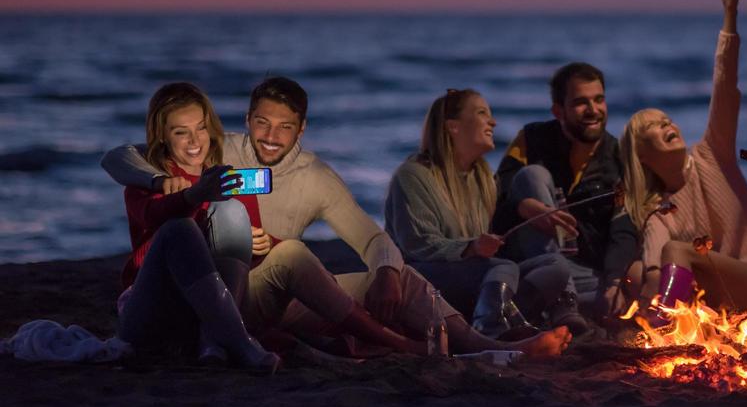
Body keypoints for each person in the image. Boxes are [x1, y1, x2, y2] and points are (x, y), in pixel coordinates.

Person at [103, 77, 568, 358]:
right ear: (247, 120)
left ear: (302, 129)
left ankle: (488, 347)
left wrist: (386, 268)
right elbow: (127, 154)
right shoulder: (220, 148)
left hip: (280, 293)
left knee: (398, 277)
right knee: (292, 253)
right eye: (261, 123)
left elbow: (370, 236)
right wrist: (159, 183)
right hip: (228, 287)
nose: (270, 136)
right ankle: (399, 342)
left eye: (285, 126)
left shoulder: (316, 178)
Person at [613, 0, 747, 314]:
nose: (667, 122)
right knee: (644, 270)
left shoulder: (713, 155)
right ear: (642, 155)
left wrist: (730, 12)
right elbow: (653, 272)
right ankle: (659, 330)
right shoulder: (660, 216)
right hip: (726, 302)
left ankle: (665, 328)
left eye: (666, 118)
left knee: (677, 254)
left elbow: (724, 84)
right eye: (653, 124)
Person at [385, 88, 587, 337]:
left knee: (555, 266)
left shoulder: (481, 179)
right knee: (503, 269)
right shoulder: (413, 175)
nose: (493, 122)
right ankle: (489, 329)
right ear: (453, 127)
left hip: (475, 279)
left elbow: (501, 219)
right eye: (482, 113)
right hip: (425, 280)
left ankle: (499, 315)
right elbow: (417, 245)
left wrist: (523, 211)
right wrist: (470, 248)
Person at [115, 82, 279, 372]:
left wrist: (264, 244)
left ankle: (213, 339)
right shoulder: (148, 180)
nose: (194, 140)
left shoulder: (221, 180)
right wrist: (194, 195)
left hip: (201, 313)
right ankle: (240, 342)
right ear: (163, 137)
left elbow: (239, 259)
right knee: (180, 229)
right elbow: (155, 215)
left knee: (231, 208)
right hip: (150, 312)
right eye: (181, 132)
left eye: (200, 128)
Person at [493, 62, 620, 310]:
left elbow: (622, 232)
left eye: (599, 100)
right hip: (529, 258)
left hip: (583, 271)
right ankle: (562, 301)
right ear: (558, 111)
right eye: (581, 102)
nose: (593, 110)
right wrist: (524, 207)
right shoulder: (532, 138)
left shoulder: (618, 157)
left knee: (612, 294)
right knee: (533, 175)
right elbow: (497, 198)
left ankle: (557, 300)